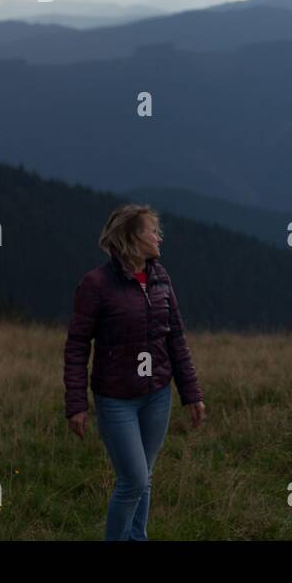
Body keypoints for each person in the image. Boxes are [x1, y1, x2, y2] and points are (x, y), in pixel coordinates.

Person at [64, 204, 207, 540]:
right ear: (130, 238)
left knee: (146, 476)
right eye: (151, 231)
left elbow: (176, 339)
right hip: (116, 400)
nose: (158, 237)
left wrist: (192, 394)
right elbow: (77, 345)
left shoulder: (160, 277)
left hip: (157, 395)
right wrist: (76, 403)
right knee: (134, 481)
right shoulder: (96, 284)